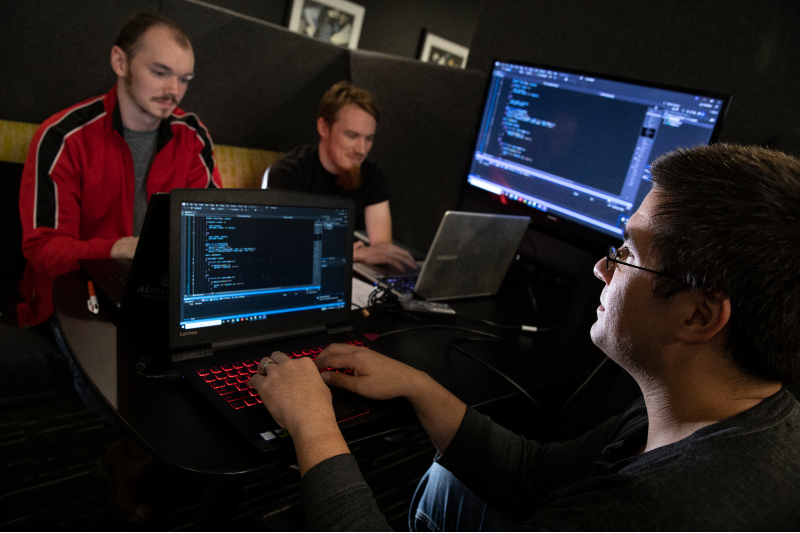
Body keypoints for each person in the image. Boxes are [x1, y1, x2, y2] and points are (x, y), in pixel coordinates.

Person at [248, 144, 800, 530]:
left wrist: (314, 429)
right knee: (446, 481)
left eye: (630, 252)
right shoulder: (706, 405)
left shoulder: (652, 510)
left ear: (699, 316)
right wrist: (415, 385)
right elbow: (534, 476)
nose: (602, 269)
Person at [17, 12, 222, 523]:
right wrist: (119, 249)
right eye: (160, 72)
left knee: (210, 364)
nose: (174, 90)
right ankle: (130, 461)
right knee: (131, 398)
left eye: (185, 78)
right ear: (119, 61)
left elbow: (211, 221)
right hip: (72, 290)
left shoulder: (192, 136)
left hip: (153, 284)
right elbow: (41, 249)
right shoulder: (63, 135)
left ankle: (148, 455)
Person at [266, 81, 416, 272]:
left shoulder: (372, 176)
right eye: (352, 136)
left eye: (369, 138)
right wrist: (351, 254)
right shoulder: (288, 174)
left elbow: (381, 250)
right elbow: (284, 251)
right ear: (323, 128)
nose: (361, 149)